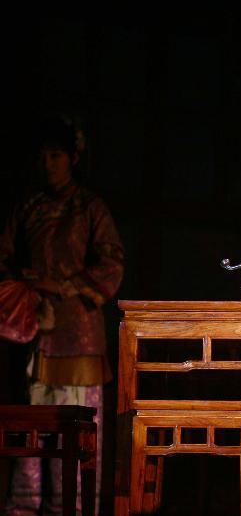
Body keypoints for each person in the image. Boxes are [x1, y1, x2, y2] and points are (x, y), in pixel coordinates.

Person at [1, 115, 124, 515]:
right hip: (36, 332)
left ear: (72, 158)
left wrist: (63, 285)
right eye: (43, 156)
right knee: (28, 435)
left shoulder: (90, 208)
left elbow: (111, 265)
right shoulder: (29, 207)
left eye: (56, 155)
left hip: (80, 336)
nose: (48, 163)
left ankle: (74, 509)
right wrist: (21, 285)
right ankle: (22, 508)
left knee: (79, 436)